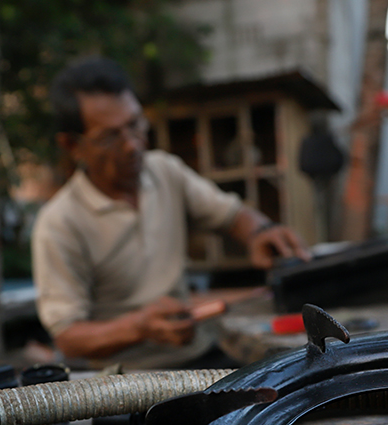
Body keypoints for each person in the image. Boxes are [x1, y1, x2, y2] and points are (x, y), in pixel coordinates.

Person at [31, 57, 310, 369]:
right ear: (72, 145)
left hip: (197, 354)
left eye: (135, 124)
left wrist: (261, 231)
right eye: (111, 136)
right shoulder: (59, 223)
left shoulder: (165, 171)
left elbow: (232, 216)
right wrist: (139, 328)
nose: (132, 145)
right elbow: (69, 336)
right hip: (123, 378)